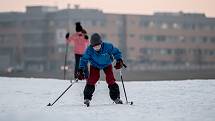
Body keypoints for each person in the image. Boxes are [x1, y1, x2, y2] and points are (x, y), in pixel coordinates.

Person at [77, 33, 125, 106]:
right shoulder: (89, 50)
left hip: (107, 64)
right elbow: (84, 60)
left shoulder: (108, 46)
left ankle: (116, 98)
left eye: (98, 46)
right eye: (95, 47)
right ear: (92, 46)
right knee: (92, 79)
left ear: (101, 43)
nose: (97, 48)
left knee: (110, 79)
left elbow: (116, 52)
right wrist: (80, 69)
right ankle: (87, 98)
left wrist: (119, 60)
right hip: (95, 65)